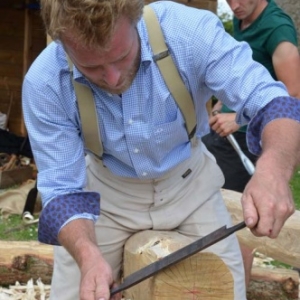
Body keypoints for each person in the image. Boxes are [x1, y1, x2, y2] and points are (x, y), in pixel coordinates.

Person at [22, 1, 300, 300]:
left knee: (224, 291)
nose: (113, 79)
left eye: (122, 56)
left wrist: (272, 172)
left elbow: (276, 104)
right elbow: (62, 191)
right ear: (62, 43)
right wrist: (88, 257)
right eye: (91, 67)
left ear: (136, 17)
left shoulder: (189, 32)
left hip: (191, 189)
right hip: (105, 198)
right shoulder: (45, 83)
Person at [202, 0, 300, 286]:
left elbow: (293, 97)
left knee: (238, 224)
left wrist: (239, 120)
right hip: (227, 139)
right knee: (208, 211)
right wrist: (220, 106)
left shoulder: (277, 29)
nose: (234, 5)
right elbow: (237, 77)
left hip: (254, 143)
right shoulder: (240, 21)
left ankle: (237, 290)